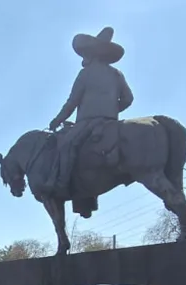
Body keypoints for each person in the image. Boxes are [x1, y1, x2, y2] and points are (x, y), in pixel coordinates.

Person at [48, 27, 133, 217]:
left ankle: (62, 185)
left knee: (66, 146)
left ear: (91, 54)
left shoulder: (85, 74)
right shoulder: (116, 74)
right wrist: (112, 110)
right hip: (111, 120)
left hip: (87, 122)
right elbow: (128, 99)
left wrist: (57, 120)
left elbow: (72, 102)